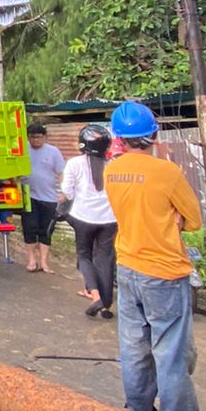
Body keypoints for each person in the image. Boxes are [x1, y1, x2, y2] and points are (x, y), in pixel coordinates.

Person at [104, 101, 206, 411]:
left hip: (128, 267)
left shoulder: (112, 170)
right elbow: (195, 220)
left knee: (134, 347)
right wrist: (172, 218)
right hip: (164, 271)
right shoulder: (166, 172)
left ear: (119, 138)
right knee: (170, 352)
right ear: (153, 134)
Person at [61, 123, 117, 318]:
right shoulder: (113, 165)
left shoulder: (74, 164)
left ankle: (95, 296)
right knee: (105, 258)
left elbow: (67, 191)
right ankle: (107, 305)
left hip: (83, 217)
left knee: (84, 256)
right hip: (110, 219)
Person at [23, 121, 65, 273]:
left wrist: (63, 192)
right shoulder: (23, 150)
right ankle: (31, 260)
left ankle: (44, 262)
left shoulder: (53, 151)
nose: (35, 140)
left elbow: (61, 173)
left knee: (46, 231)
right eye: (32, 137)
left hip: (49, 198)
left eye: (39, 137)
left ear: (45, 137)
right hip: (28, 196)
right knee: (30, 227)